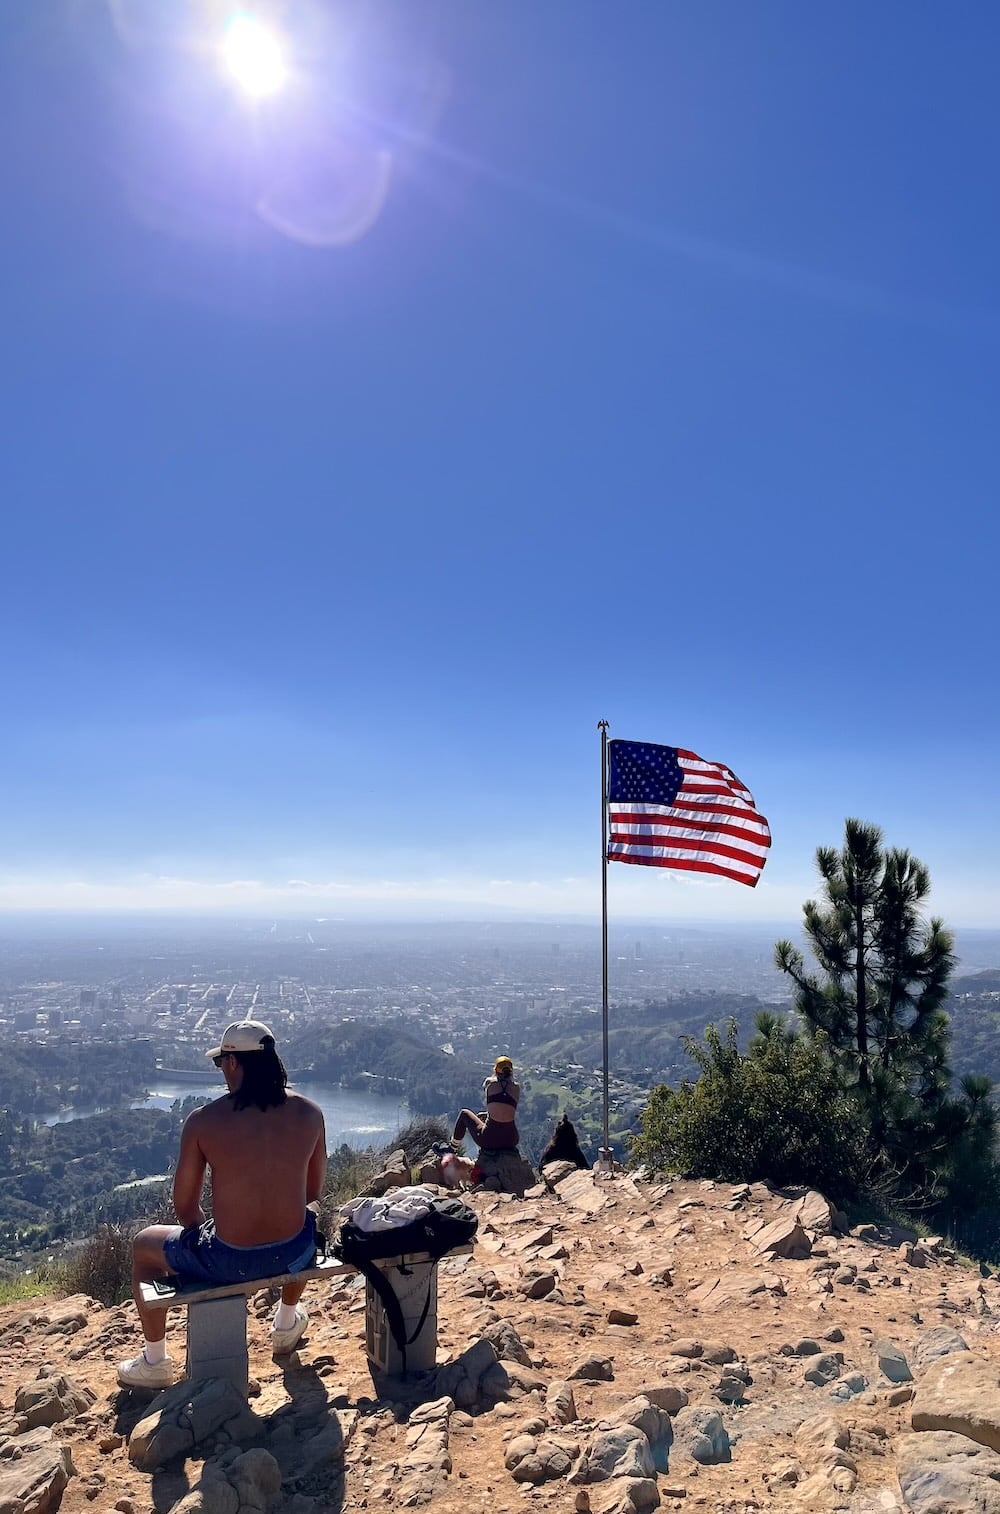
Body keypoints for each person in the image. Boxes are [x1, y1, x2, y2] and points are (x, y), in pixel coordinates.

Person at [117, 1020, 327, 1389]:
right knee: (308, 1217)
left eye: (221, 1064)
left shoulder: (204, 1121)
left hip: (230, 1259)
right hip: (295, 1251)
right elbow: (312, 1191)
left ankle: (154, 1362)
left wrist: (214, 1235)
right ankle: (285, 1322)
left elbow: (185, 1208)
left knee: (143, 1244)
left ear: (232, 1063)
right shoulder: (310, 1113)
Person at [452, 1055, 521, 1151]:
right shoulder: (516, 1088)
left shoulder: (490, 1084)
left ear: (496, 1070)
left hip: (489, 1139)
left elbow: (495, 1106)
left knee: (464, 1113)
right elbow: (503, 1109)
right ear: (511, 1071)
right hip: (511, 1140)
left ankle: (452, 1148)